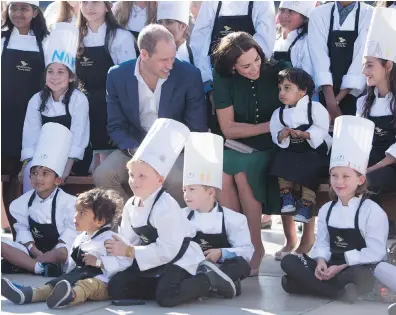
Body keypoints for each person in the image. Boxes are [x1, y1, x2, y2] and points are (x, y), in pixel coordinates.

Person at [104, 119, 236, 306]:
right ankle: (164, 284)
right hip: (150, 258)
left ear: (160, 180)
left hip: (179, 258)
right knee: (117, 287)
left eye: (142, 176)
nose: (134, 181)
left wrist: (128, 251)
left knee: (167, 298)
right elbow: (128, 241)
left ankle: (208, 280)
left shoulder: (165, 207)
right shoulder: (131, 205)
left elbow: (167, 251)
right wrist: (113, 258)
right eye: (132, 175)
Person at [93, 24, 207, 206]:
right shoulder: (117, 76)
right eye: (164, 60)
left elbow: (197, 127)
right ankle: (127, 226)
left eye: (173, 57)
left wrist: (163, 156)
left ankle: (173, 230)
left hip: (174, 150)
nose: (170, 65)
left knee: (178, 181)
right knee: (103, 175)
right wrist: (136, 152)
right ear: (144, 55)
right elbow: (116, 126)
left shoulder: (189, 75)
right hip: (134, 148)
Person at [280, 115, 389, 303]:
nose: (339, 182)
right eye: (334, 175)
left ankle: (320, 287)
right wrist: (321, 261)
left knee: (360, 277)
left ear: (360, 179)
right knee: (289, 262)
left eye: (346, 176)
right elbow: (321, 243)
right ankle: (340, 292)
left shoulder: (372, 211)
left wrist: (342, 265)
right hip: (331, 265)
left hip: (355, 268)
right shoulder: (326, 209)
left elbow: (377, 252)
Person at [212, 32, 289, 275]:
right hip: (239, 142)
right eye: (245, 66)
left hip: (276, 144)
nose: (254, 68)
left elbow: (294, 114)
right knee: (220, 175)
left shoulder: (280, 70)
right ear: (232, 67)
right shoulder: (223, 76)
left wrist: (271, 129)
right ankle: (237, 245)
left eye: (257, 60)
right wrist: (267, 125)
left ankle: (256, 247)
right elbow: (228, 129)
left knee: (243, 173)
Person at [0, 188, 130, 308]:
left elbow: (126, 262)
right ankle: (29, 294)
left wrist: (99, 262)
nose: (75, 217)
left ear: (100, 221)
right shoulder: (81, 238)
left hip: (104, 283)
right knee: (57, 283)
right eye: (76, 212)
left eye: (82, 213)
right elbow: (72, 263)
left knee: (87, 286)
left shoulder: (112, 239)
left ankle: (69, 296)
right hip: (80, 275)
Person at [20, 22, 91, 193]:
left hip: (75, 158)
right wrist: (27, 165)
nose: (54, 77)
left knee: (49, 173)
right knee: (35, 173)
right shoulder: (36, 100)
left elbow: (79, 135)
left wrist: (67, 166)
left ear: (71, 77)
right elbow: (31, 136)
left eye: (61, 72)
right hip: (44, 154)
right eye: (50, 71)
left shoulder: (78, 99)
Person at [1, 123, 78, 277]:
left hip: (59, 251)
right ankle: (40, 268)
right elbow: (22, 228)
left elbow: (71, 231)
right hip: (33, 251)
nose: (38, 178)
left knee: (62, 253)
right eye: (34, 173)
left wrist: (51, 253)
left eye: (45, 173)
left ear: (57, 180)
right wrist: (32, 249)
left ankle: (30, 265)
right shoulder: (21, 203)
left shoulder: (69, 203)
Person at [270, 68, 331, 260]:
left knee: (310, 167)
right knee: (280, 161)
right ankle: (286, 196)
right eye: (280, 88)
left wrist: (307, 134)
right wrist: (283, 135)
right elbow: (276, 133)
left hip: (313, 152)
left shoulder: (316, 109)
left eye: (287, 88)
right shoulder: (279, 113)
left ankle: (306, 203)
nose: (282, 92)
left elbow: (321, 128)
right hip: (292, 151)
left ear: (303, 91)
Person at [182, 132, 253, 296]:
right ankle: (214, 284)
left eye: (192, 189)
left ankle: (211, 281)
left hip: (222, 266)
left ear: (211, 192)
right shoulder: (180, 217)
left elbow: (247, 251)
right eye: (184, 190)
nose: (186, 195)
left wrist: (221, 253)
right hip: (191, 269)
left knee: (241, 265)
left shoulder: (234, 219)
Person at [1, 1, 49, 237]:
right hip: (4, 117)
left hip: (35, 117)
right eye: (14, 8)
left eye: (24, 8)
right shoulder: (1, 40)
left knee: (27, 174)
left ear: (35, 12)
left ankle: (28, 231)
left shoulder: (45, 42)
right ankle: (9, 230)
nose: (18, 13)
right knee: (5, 173)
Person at [76, 1, 136, 167]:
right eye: (85, 2)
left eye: (95, 2)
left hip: (111, 108)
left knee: (106, 164)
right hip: (82, 109)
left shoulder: (120, 36)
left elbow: (128, 80)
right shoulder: (74, 36)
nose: (89, 7)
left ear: (107, 6)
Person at [357, 7, 396, 236]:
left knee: (366, 182)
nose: (364, 71)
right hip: (369, 162)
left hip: (390, 166)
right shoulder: (363, 102)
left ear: (388, 65)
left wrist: (365, 171)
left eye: (370, 64)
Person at [308, 1, 373, 119]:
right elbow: (318, 57)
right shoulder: (317, 13)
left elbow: (361, 59)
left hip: (354, 94)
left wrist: (335, 102)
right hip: (325, 92)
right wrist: (330, 102)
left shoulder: (370, 13)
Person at [273, 1, 316, 76]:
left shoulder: (307, 42)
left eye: (291, 11)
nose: (285, 16)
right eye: (282, 10)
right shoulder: (274, 37)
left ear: (304, 17)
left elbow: (308, 77)